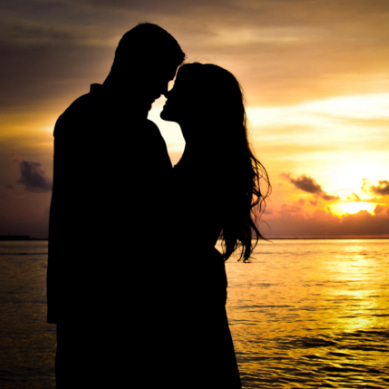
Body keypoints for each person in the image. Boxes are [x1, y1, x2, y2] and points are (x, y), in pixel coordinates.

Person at [47, 23, 185, 387]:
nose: (163, 90)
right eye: (161, 76)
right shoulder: (118, 128)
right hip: (114, 308)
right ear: (135, 65)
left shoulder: (79, 117)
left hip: (89, 305)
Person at [160, 63, 271, 389]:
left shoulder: (204, 166)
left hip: (187, 293)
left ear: (198, 102)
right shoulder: (206, 158)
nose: (168, 91)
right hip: (196, 286)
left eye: (178, 87)